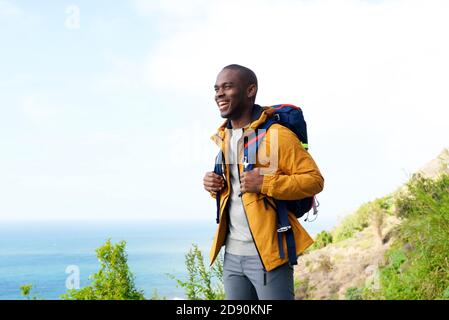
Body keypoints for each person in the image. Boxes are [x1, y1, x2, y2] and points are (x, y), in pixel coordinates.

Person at [203, 64, 324, 300]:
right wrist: (214, 187)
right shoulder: (224, 138)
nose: (219, 93)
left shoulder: (277, 135)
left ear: (250, 91)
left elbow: (314, 180)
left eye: (227, 87)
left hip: (269, 255)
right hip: (231, 255)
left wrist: (265, 183)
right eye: (216, 88)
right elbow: (238, 192)